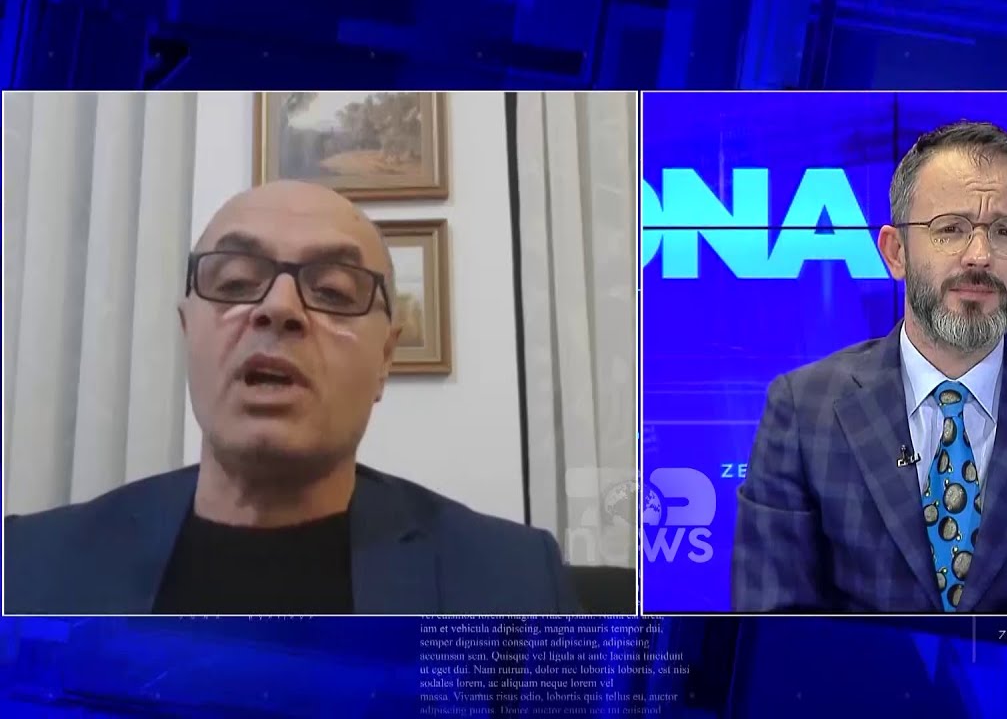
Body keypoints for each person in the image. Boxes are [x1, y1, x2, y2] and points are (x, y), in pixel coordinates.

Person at [5, 180, 579, 615]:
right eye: (235, 282)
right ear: (187, 333)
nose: (278, 308)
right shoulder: (26, 565)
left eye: (332, 291)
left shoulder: (513, 584)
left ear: (385, 359)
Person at [732, 121, 1007, 614]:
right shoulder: (803, 409)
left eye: (1005, 233)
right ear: (896, 252)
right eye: (950, 229)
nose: (979, 256)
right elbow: (773, 631)